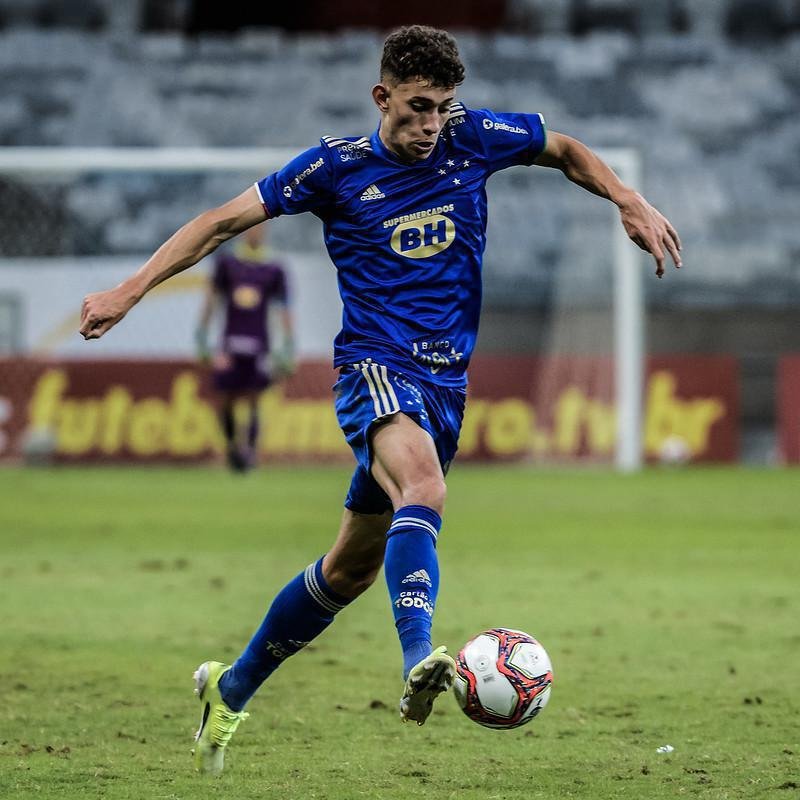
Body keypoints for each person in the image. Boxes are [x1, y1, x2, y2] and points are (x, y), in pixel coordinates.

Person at [79, 25, 681, 774]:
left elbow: (562, 148)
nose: (432, 124)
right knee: (422, 486)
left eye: (443, 108)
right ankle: (419, 660)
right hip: (375, 368)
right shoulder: (334, 169)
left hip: (446, 386)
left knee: (349, 570)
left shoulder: (473, 137)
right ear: (382, 95)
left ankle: (229, 689)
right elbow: (218, 223)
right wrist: (130, 290)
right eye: (419, 106)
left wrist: (626, 198)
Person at [195, 221, 294, 472]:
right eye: (251, 229)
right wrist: (202, 334)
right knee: (226, 399)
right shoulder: (227, 264)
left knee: (253, 399)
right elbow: (212, 298)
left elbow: (283, 308)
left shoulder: (274, 267)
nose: (255, 233)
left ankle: (249, 454)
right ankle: (231, 448)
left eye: (260, 229)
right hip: (229, 344)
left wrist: (289, 344)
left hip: (259, 344)